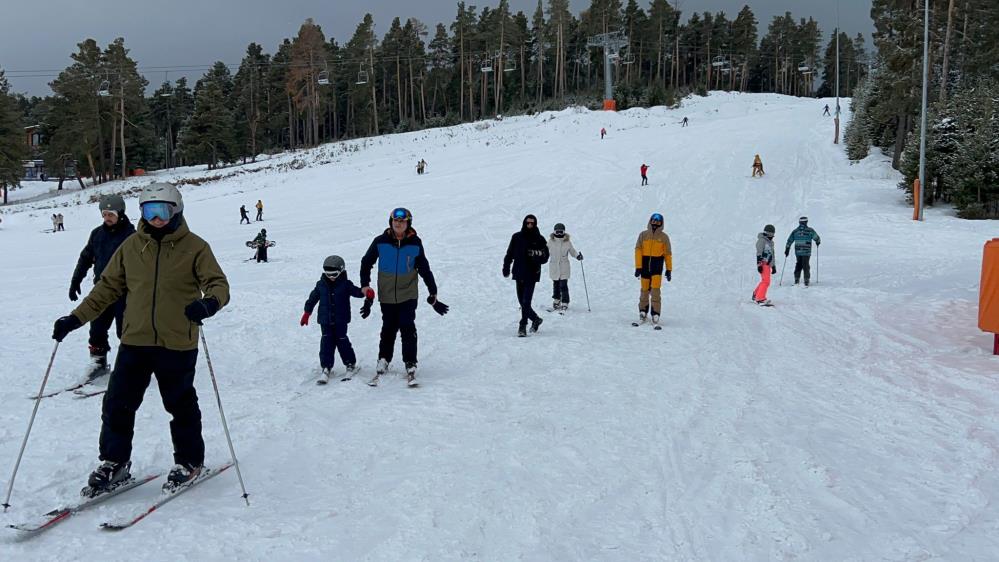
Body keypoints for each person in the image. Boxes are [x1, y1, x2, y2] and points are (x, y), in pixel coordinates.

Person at [51, 182, 230, 495]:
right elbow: (106, 289)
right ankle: (114, 462)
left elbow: (218, 285)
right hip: (135, 340)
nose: (156, 219)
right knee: (118, 402)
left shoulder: (195, 247)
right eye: (149, 211)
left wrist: (208, 303)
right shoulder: (132, 247)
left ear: (176, 210)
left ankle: (189, 461)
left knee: (180, 404)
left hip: (177, 340)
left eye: (162, 211)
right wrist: (75, 318)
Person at [359, 207, 446, 385]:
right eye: (396, 221)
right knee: (388, 327)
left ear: (408, 224)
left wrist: (433, 291)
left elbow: (424, 267)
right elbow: (366, 262)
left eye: (402, 221)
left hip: (408, 294)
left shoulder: (415, 243)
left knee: (407, 326)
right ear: (391, 222)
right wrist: (365, 285)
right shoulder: (380, 242)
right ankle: (384, 359)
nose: (399, 224)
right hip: (387, 294)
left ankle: (410, 362)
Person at [69, 194, 136, 379]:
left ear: (120, 214)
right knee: (97, 328)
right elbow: (86, 258)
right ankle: (98, 361)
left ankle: (130, 365)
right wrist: (76, 280)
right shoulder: (97, 234)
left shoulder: (133, 236)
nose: (107, 218)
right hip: (102, 290)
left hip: (126, 292)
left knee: (126, 330)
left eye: (111, 214)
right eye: (104, 214)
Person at [301, 255, 373, 384]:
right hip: (325, 319)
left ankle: (350, 363)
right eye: (328, 274)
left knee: (342, 340)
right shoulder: (320, 285)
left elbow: (357, 292)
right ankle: (326, 367)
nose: (331, 277)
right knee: (326, 342)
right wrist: (307, 312)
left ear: (341, 271)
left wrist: (366, 292)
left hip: (341, 319)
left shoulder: (345, 284)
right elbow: (312, 299)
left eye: (334, 274)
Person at [503, 214, 550, 337]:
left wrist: (535, 255)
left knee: (525, 301)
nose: (530, 225)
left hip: (532, 274)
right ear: (524, 223)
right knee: (522, 303)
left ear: (535, 224)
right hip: (518, 273)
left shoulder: (540, 239)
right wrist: (506, 267)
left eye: (532, 223)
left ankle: (522, 325)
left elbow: (545, 257)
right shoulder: (517, 237)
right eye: (528, 223)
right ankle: (536, 319)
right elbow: (509, 254)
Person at [634, 213, 672, 326]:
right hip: (645, 267)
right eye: (654, 220)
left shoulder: (664, 238)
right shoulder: (643, 235)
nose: (655, 222)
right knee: (644, 290)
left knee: (655, 291)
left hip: (657, 268)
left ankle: (655, 313)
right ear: (650, 221)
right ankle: (643, 311)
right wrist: (638, 267)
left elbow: (668, 254)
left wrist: (669, 269)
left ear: (661, 223)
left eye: (658, 221)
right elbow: (638, 250)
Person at [547, 222, 582, 311]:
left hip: (564, 267)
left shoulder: (567, 242)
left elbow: (572, 251)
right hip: (554, 266)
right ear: (554, 232)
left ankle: (565, 302)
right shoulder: (550, 241)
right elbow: (545, 251)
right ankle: (556, 300)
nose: (559, 234)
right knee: (556, 284)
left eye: (561, 232)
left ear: (564, 232)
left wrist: (578, 256)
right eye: (557, 232)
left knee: (563, 285)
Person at [784, 216, 821, 286]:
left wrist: (787, 249)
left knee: (798, 264)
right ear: (806, 222)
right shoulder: (810, 230)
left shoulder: (795, 231)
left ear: (799, 222)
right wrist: (818, 242)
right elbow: (816, 238)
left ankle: (796, 279)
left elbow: (789, 240)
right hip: (806, 251)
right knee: (806, 264)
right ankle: (806, 280)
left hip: (798, 251)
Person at [753, 224, 777, 305]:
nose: (773, 236)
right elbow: (759, 253)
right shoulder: (761, 241)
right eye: (772, 234)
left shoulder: (771, 242)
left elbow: (772, 254)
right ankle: (760, 298)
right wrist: (759, 265)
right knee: (766, 281)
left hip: (768, 264)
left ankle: (756, 294)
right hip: (763, 263)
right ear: (768, 233)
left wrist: (773, 266)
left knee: (764, 281)